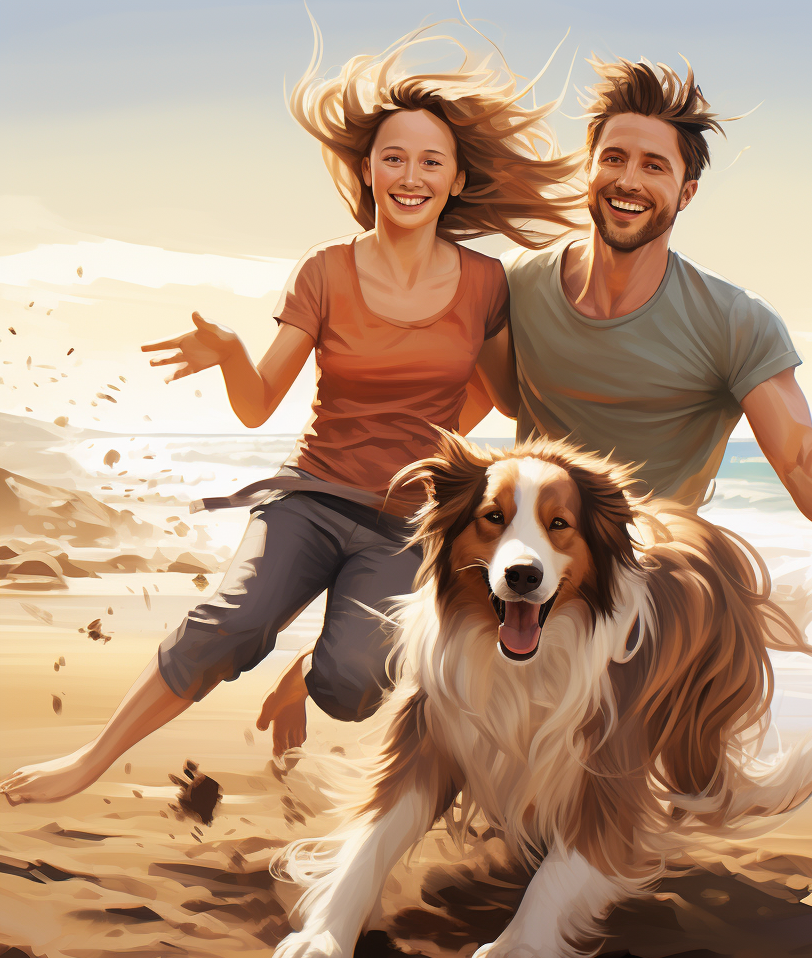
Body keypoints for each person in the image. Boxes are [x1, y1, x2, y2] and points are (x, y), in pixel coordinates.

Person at [0, 24, 584, 805]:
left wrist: (441, 444)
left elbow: (506, 394)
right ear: (369, 172)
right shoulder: (325, 271)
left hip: (404, 523)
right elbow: (256, 406)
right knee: (229, 624)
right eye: (393, 158)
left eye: (430, 161)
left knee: (351, 686)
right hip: (311, 496)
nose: (410, 175)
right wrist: (235, 351)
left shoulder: (484, 283)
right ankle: (89, 760)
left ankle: (297, 682)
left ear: (454, 179)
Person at [501, 56, 812, 588]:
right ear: (589, 168)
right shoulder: (518, 286)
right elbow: (467, 397)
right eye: (613, 158)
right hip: (530, 567)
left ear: (687, 192)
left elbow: (799, 458)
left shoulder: (734, 321)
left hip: (653, 573)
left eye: (654, 166)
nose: (628, 180)